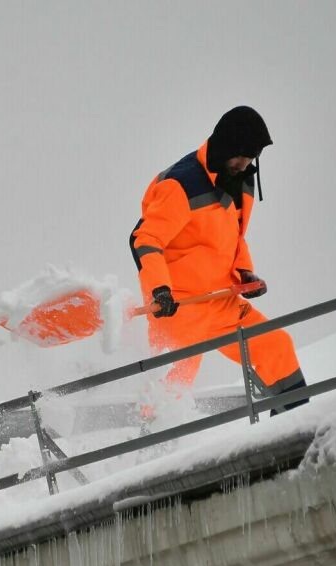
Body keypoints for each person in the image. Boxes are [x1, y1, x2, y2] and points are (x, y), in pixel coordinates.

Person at [128, 105, 306, 413]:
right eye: (239, 156)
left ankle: (297, 425)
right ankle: (143, 444)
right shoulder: (180, 185)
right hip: (178, 308)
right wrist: (160, 290)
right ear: (224, 146)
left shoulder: (242, 180)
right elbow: (145, 239)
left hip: (222, 302)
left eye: (251, 158)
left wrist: (245, 272)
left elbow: (233, 235)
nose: (244, 164)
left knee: (277, 346)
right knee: (171, 386)